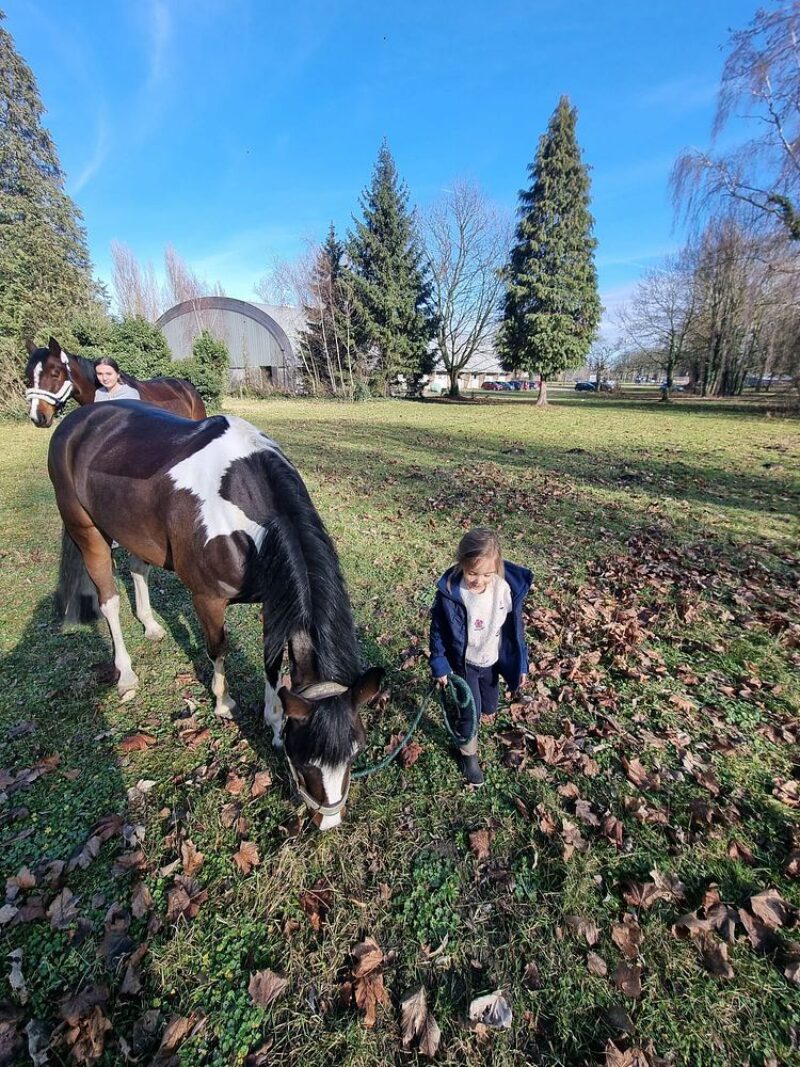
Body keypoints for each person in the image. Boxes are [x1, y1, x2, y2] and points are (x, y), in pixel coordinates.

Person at [429, 527, 532, 787]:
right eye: (472, 573)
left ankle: (473, 712)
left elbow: (515, 631)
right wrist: (440, 663)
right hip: (465, 663)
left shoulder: (504, 589)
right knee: (471, 714)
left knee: (489, 706)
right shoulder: (452, 592)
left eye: (486, 574)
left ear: (497, 567)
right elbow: (438, 630)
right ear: (461, 564)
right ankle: (468, 754)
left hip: (491, 662)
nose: (479, 580)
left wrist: (521, 663)